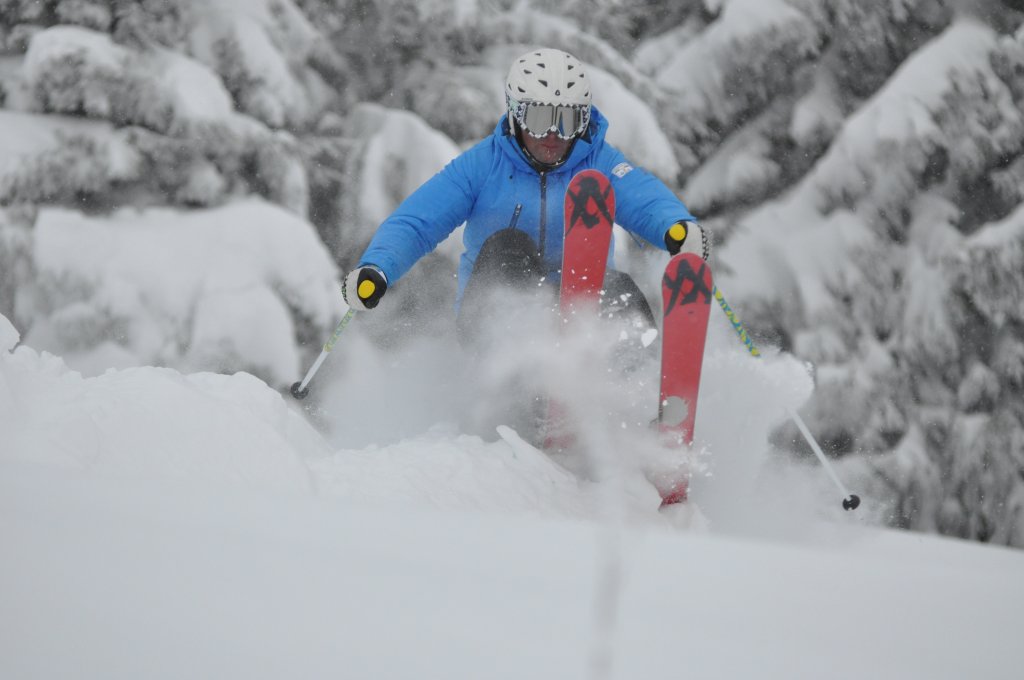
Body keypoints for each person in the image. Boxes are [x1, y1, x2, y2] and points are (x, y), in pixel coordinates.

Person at [342, 47, 708, 349]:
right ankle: (521, 385)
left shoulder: (598, 162)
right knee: (508, 247)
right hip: (493, 330)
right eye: (538, 118)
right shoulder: (483, 165)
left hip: (580, 320)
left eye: (566, 121)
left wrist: (675, 228)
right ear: (515, 115)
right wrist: (378, 268)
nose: (552, 134)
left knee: (618, 288)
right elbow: (418, 221)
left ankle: (632, 391)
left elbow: (643, 197)